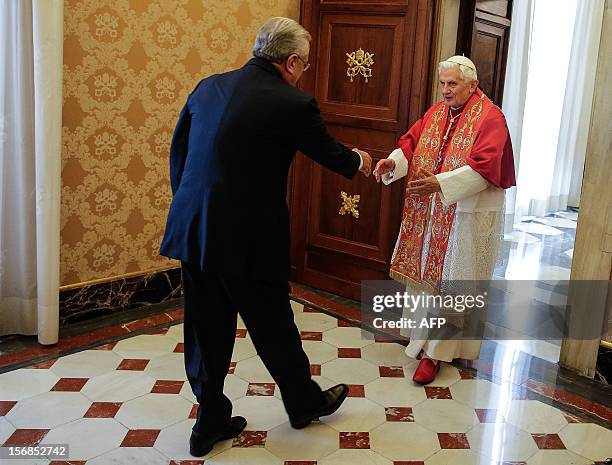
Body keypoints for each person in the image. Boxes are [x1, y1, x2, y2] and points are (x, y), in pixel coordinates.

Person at [160, 17, 372, 457]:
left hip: (194, 229)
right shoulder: (292, 103)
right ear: (291, 61)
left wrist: (193, 209)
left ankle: (209, 421)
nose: (304, 73)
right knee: (273, 324)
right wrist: (363, 162)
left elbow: (178, 154)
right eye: (305, 65)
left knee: (206, 327)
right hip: (249, 239)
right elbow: (332, 153)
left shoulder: (209, 86)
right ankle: (302, 401)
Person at [373, 55, 515, 385]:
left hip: (467, 212)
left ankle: (437, 353)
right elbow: (411, 142)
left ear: (472, 84)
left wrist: (442, 183)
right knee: (427, 278)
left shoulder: (492, 118)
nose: (446, 90)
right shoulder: (437, 113)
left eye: (452, 84)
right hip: (433, 213)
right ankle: (423, 339)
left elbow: (486, 166)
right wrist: (393, 164)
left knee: (454, 282)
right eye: (443, 84)